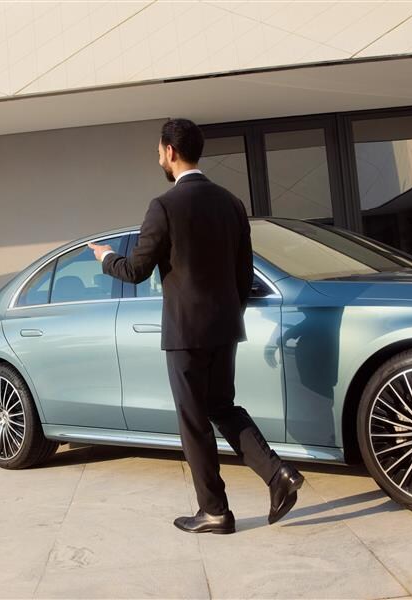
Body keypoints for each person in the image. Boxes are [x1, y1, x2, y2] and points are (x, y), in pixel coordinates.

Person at [88, 118, 304, 534]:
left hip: (186, 331)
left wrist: (104, 258)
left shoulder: (164, 206)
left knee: (194, 420)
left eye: (158, 151)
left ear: (170, 151)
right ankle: (278, 476)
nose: (158, 157)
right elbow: (244, 275)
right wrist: (227, 313)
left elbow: (135, 270)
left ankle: (215, 511)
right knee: (222, 406)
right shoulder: (232, 203)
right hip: (225, 327)